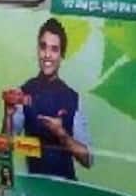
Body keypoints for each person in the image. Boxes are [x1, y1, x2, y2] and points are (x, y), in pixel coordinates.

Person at [15, 18, 92, 180]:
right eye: (43, 47)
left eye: (54, 49)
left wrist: (61, 134)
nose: (47, 55)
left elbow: (88, 159)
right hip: (34, 190)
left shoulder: (72, 98)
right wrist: (8, 114)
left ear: (62, 54)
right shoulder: (24, 92)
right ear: (38, 49)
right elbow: (5, 146)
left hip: (66, 191)